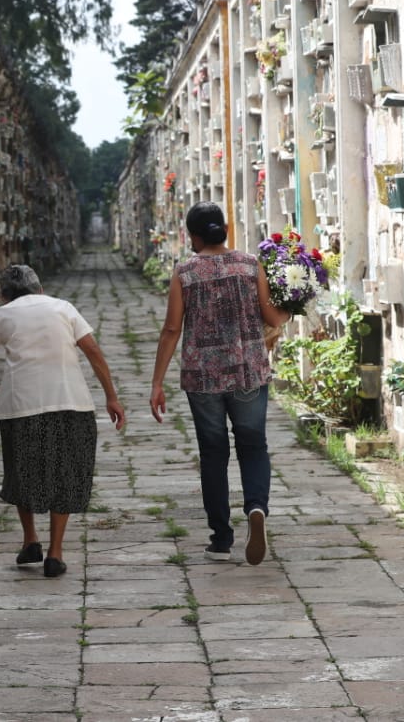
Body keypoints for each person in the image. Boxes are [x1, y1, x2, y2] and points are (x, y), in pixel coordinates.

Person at [149, 203, 291, 566]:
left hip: (203, 377)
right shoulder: (250, 265)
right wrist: (294, 302)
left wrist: (157, 382)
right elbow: (272, 316)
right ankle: (256, 508)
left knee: (213, 455)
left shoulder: (185, 272)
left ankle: (221, 538)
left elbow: (172, 329)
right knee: (253, 446)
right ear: (224, 230)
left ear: (194, 236)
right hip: (248, 371)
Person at [0, 264, 126, 578]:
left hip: (21, 406)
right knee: (66, 473)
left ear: (5, 295)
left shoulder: (1, 315)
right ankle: (55, 552)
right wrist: (111, 396)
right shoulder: (63, 308)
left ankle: (30, 540)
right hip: (70, 402)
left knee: (22, 472)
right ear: (40, 289)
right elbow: (93, 351)